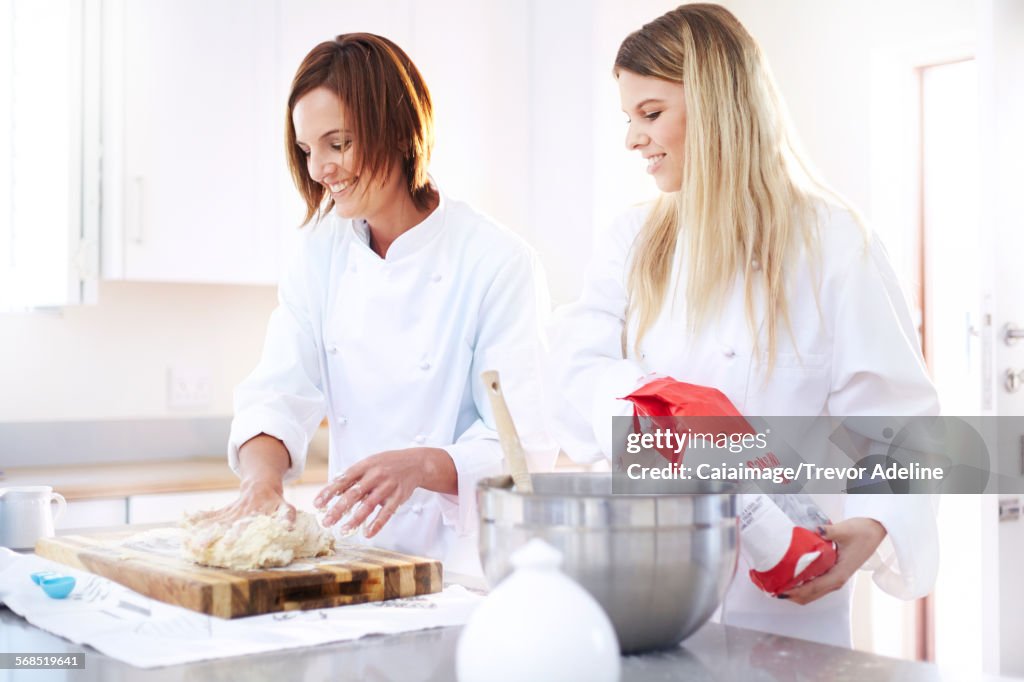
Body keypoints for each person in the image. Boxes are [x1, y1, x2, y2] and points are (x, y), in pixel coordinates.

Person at [549, 4, 938, 647]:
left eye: (651, 114)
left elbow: (903, 421)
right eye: (629, 118)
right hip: (652, 591)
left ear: (715, 106)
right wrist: (658, 410)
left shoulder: (837, 246)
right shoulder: (632, 239)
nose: (633, 138)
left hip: (788, 606)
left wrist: (874, 521)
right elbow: (573, 370)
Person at [207, 33, 552, 572]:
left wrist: (419, 465)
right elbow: (278, 391)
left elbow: (522, 445)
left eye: (337, 143)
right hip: (353, 558)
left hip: (459, 567)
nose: (320, 168)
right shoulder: (318, 254)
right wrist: (262, 483)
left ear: (398, 131)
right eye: (307, 149)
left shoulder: (497, 260)